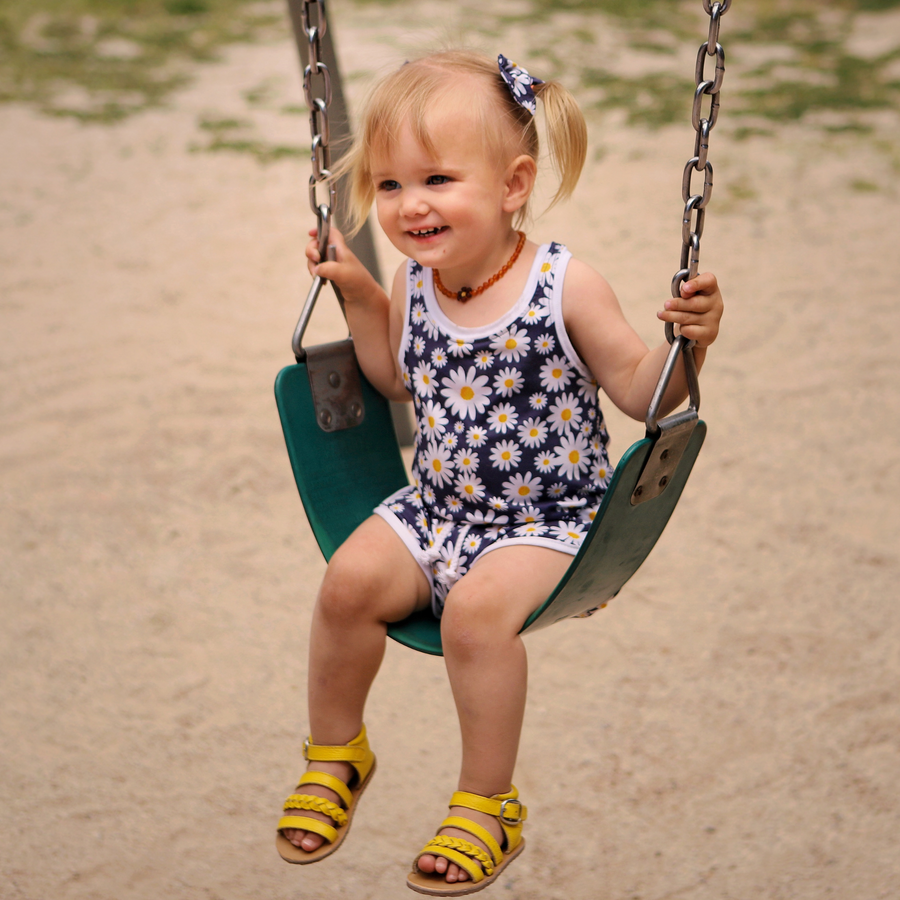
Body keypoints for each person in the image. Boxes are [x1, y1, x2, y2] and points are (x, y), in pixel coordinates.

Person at [275, 50, 724, 895]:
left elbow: (641, 394)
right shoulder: (417, 280)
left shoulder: (565, 285)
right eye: (392, 185)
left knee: (475, 620)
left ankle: (488, 804)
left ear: (513, 185)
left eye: (438, 178)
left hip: (552, 523)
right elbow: (397, 380)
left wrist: (688, 345)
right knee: (344, 585)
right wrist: (366, 300)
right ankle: (338, 752)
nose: (411, 205)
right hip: (439, 511)